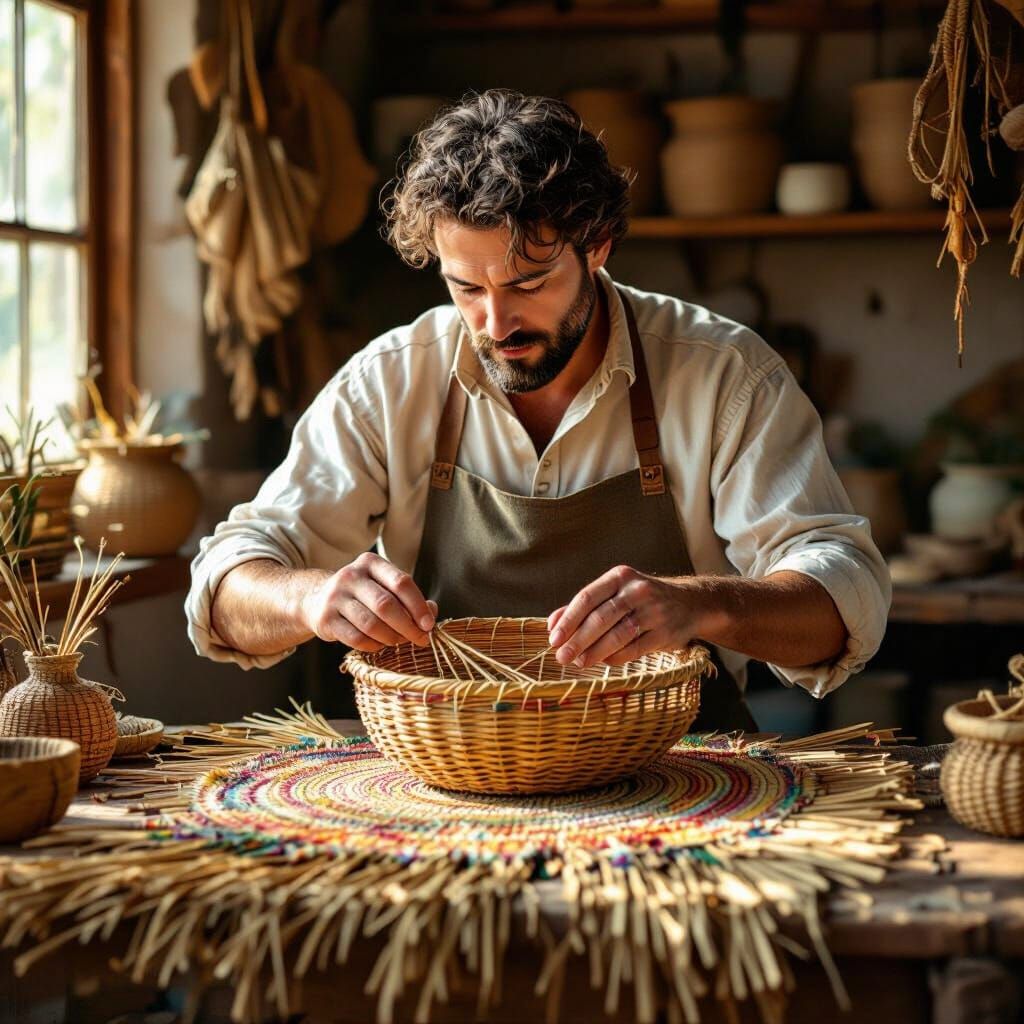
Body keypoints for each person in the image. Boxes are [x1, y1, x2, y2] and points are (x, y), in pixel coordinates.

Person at [185, 89, 891, 731]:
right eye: (466, 288)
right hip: (450, 772)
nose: (496, 323)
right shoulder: (391, 381)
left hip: (680, 769)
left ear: (598, 247)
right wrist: (311, 598)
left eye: (529, 283)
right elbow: (224, 586)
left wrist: (703, 603)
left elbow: (845, 596)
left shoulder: (723, 374)